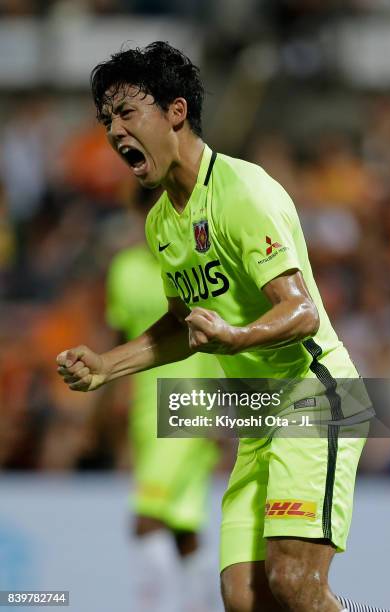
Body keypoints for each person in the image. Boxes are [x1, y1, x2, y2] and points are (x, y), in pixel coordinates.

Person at [56, 42, 390, 612]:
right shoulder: (163, 222)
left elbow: (303, 311)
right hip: (260, 418)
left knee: (295, 584)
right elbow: (180, 326)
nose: (114, 132)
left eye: (127, 113)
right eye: (106, 120)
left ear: (176, 112)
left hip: (317, 396)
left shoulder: (244, 191)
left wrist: (236, 337)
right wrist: (108, 366)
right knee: (242, 597)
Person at [105, 189, 220, 611]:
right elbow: (121, 342)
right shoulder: (124, 270)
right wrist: (107, 404)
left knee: (144, 520)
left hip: (190, 406)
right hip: (143, 410)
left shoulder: (196, 266)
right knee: (182, 530)